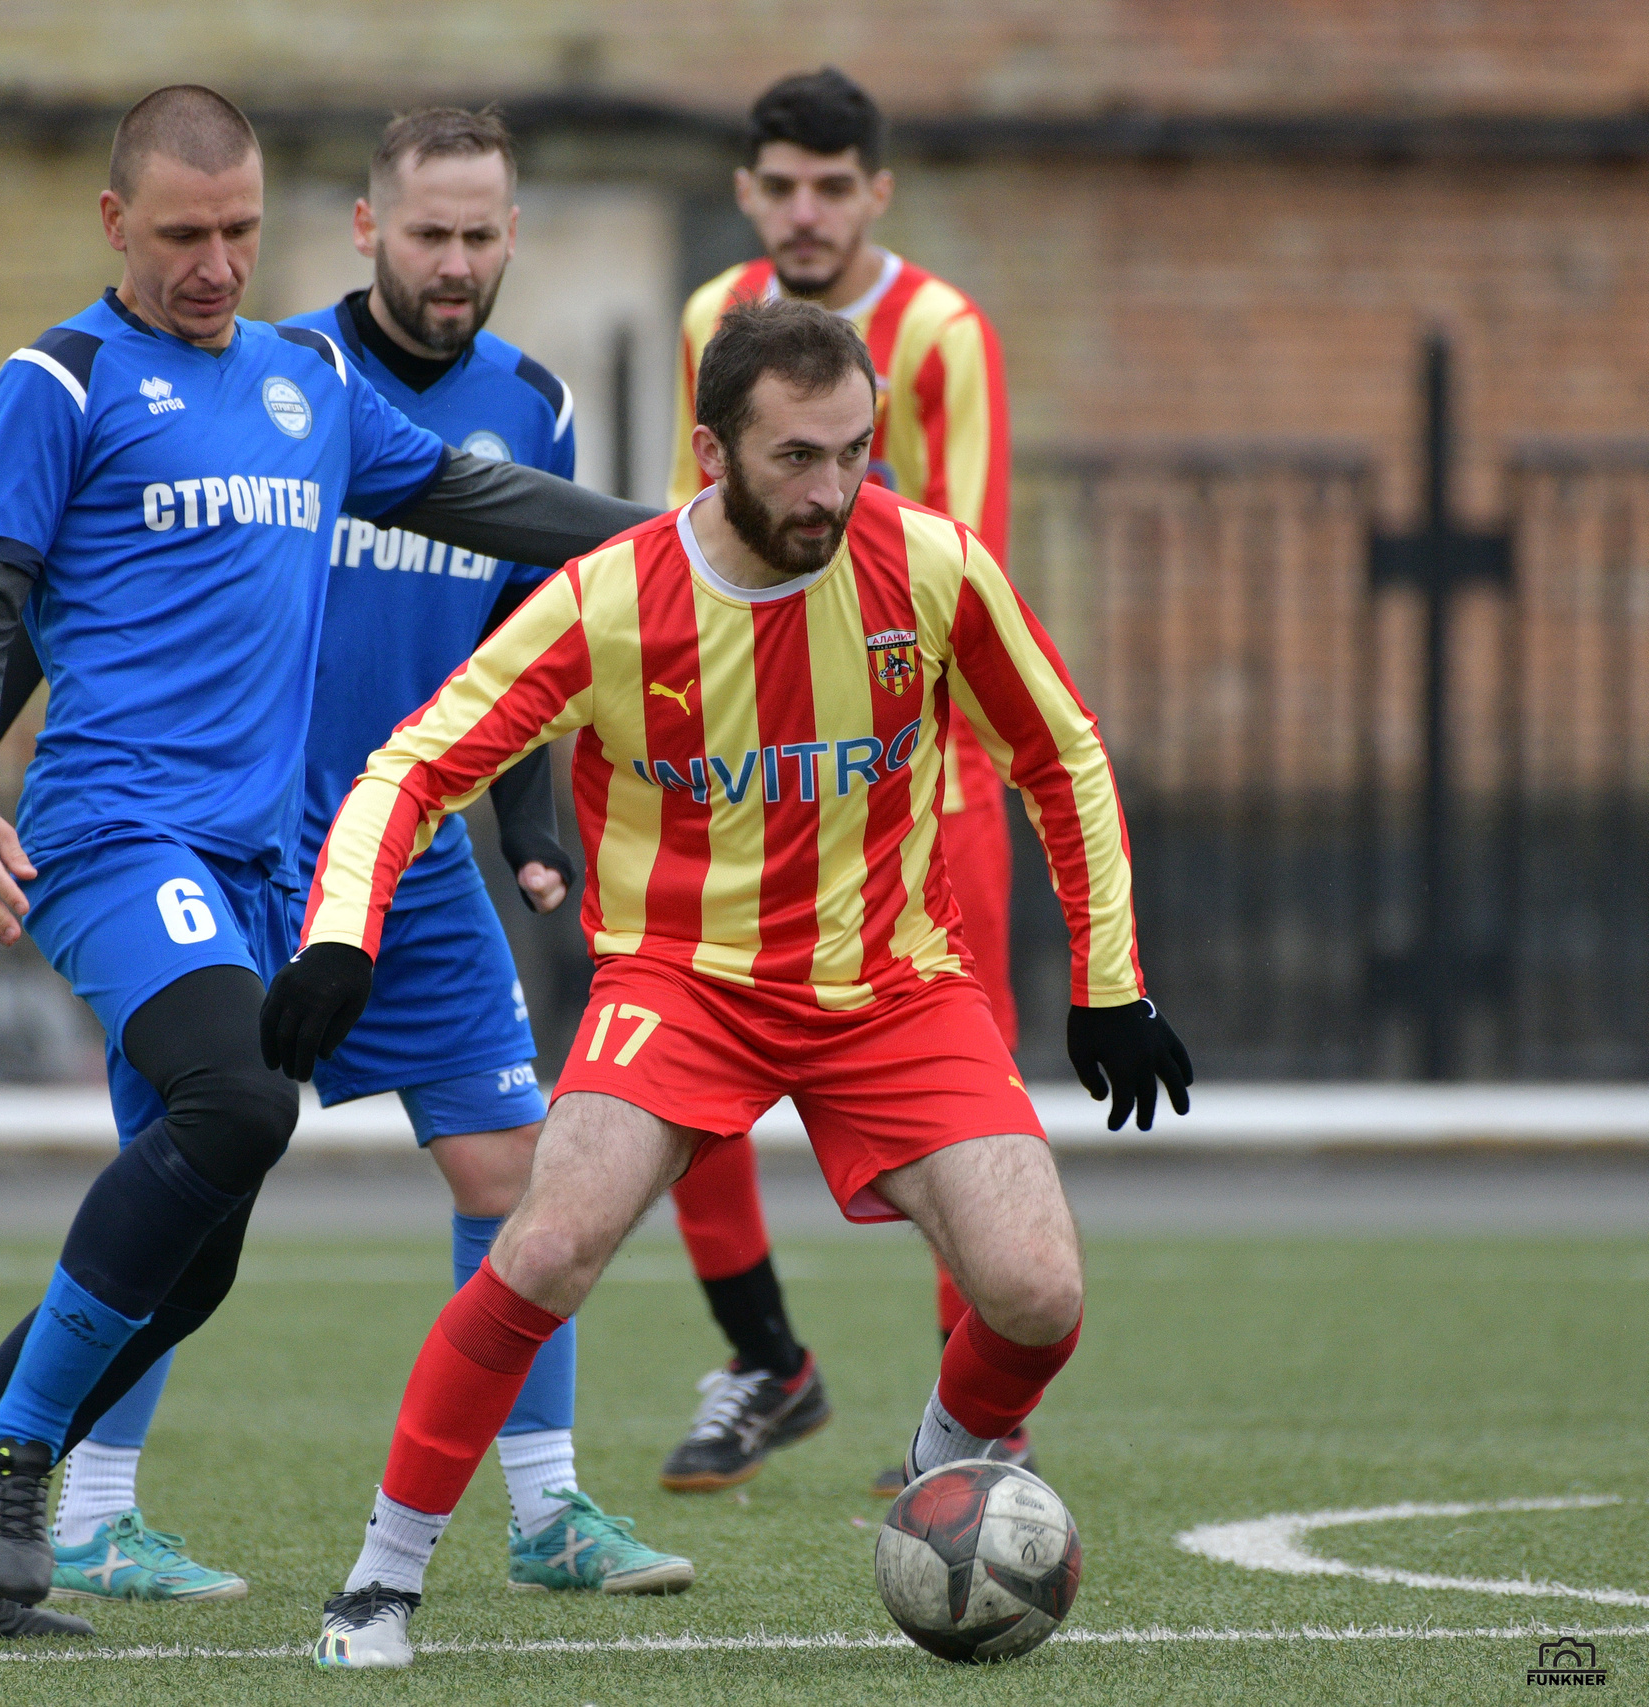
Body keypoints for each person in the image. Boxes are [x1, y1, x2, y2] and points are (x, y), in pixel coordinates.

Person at [0, 85, 656, 1643]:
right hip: (108, 837)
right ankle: (17, 1464)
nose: (214, 266)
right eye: (181, 236)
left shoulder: (306, 381)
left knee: (192, 1259)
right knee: (238, 1103)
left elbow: (485, 501)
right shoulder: (60, 379)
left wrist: (693, 533)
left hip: (264, 864)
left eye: (236, 233)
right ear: (113, 225)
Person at [266, 296, 1191, 1669]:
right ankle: (379, 1583)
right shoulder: (611, 598)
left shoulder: (929, 565)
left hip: (892, 983)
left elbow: (1064, 752)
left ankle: (946, 1458)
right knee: (547, 1242)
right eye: (795, 461)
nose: (833, 492)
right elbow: (413, 765)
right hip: (683, 982)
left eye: (854, 453)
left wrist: (1109, 981)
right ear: (711, 452)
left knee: (1039, 1293)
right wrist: (342, 934)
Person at [653, 66, 1025, 1496]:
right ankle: (767, 1364)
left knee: (961, 1077)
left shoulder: (940, 335)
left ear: (877, 191)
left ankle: (978, 1408)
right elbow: (698, 537)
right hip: (757, 769)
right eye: (780, 185)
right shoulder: (712, 319)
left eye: (833, 185)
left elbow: (961, 565)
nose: (805, 211)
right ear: (748, 192)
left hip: (924, 777)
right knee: (675, 1044)